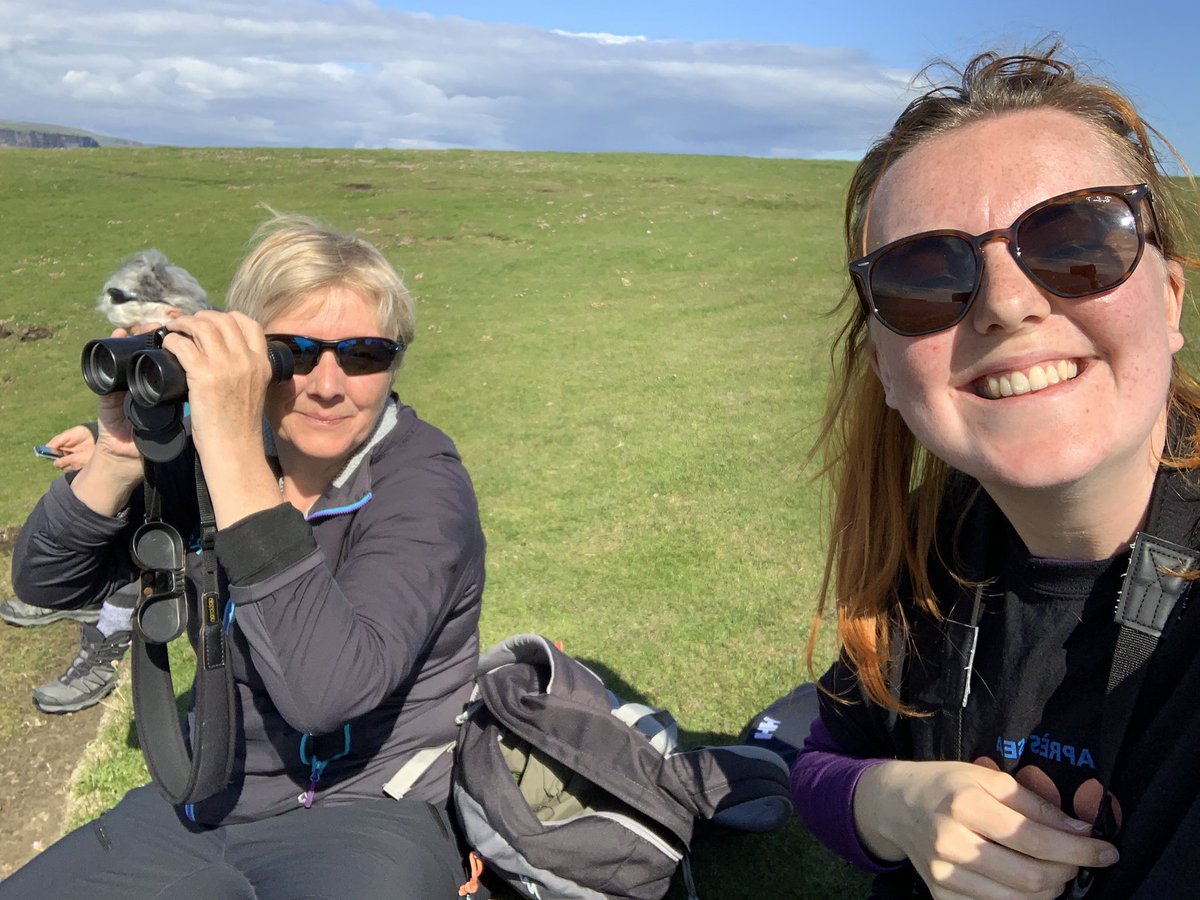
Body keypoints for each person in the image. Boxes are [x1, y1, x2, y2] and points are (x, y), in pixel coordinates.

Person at [790, 44, 1197, 899]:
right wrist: (891, 801)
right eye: (926, 278)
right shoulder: (934, 547)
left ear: (1168, 298)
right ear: (889, 373)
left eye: (1077, 239)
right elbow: (819, 757)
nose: (1008, 305)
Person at [3, 213, 486, 898]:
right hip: (206, 797)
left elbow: (328, 693)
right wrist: (115, 459)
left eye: (363, 355)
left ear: (396, 362)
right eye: (293, 352)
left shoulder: (421, 482)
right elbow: (48, 579)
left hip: (365, 813)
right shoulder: (217, 455)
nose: (327, 384)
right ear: (251, 361)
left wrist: (230, 453)